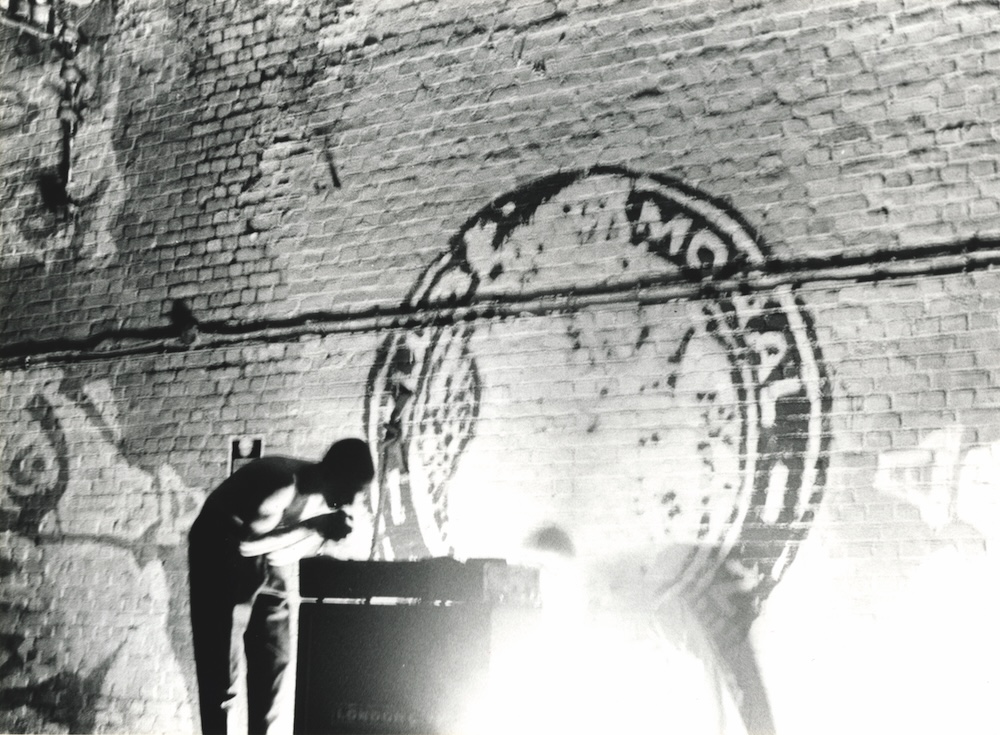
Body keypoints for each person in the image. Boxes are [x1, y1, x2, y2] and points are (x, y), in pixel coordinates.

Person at [188, 438, 375, 735]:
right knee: (223, 671)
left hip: (264, 558)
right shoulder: (282, 483)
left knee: (275, 663)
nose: (351, 499)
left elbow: (278, 555)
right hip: (218, 551)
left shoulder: (323, 499)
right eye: (350, 488)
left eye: (358, 491)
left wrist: (321, 537)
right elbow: (245, 545)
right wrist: (314, 526)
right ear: (332, 472)